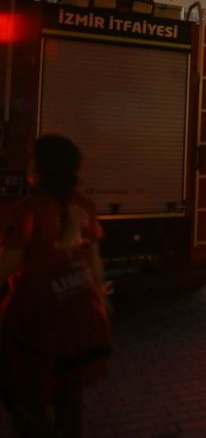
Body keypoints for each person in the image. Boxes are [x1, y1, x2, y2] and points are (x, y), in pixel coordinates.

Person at [0, 135, 111, 437]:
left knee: (23, 396)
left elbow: (7, 267)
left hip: (34, 321)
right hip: (79, 318)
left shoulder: (29, 210)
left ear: (42, 167)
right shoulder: (84, 205)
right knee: (70, 396)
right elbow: (95, 264)